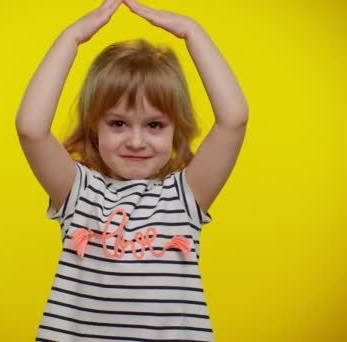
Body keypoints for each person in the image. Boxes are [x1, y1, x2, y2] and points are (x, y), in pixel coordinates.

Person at [15, 0, 248, 340]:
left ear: (175, 131)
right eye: (119, 123)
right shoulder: (79, 193)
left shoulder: (184, 196)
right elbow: (31, 129)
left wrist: (192, 32)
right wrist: (71, 38)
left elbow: (234, 120)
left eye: (154, 125)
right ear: (95, 126)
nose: (136, 141)